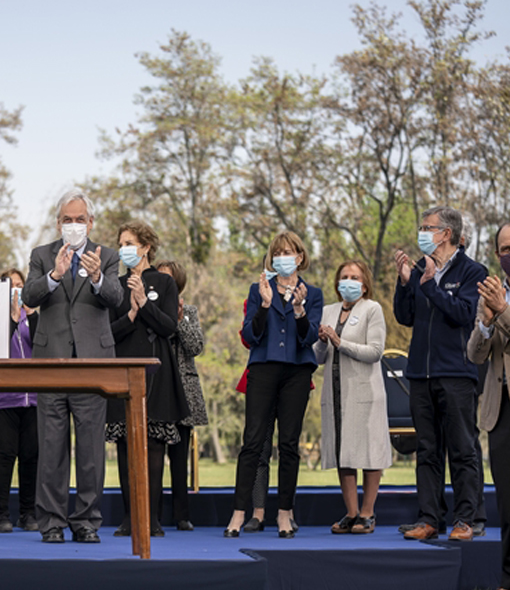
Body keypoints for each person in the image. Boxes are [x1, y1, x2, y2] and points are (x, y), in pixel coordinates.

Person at [22, 190, 123, 544]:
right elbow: (28, 296)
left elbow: (116, 299)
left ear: (91, 223)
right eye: (68, 219)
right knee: (51, 448)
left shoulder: (107, 257)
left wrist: (97, 279)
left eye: (81, 219)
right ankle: (50, 522)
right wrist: (54, 275)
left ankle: (86, 522)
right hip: (51, 363)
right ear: (58, 222)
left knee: (91, 451)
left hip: (93, 365)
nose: (74, 225)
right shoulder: (41, 255)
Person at [393, 206, 487, 541]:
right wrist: (406, 283)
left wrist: (430, 285)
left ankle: (467, 519)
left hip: (457, 374)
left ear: (446, 233)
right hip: (420, 373)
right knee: (428, 451)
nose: (422, 232)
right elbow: (405, 317)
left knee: (462, 448)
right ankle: (430, 518)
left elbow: (463, 314)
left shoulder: (474, 271)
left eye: (427, 227)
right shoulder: (419, 269)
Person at [225, 231, 322, 539]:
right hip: (263, 369)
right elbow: (250, 336)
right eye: (277, 252)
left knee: (290, 444)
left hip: (296, 372)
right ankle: (239, 513)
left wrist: (299, 310)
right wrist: (265, 306)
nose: (283, 257)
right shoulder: (259, 290)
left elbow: (310, 338)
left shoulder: (313, 293)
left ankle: (284, 514)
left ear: (300, 257)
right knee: (252, 442)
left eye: (289, 251)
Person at [107, 221, 188, 538]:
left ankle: (151, 518)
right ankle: (130, 517)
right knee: (126, 446)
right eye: (121, 243)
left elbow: (169, 327)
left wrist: (144, 303)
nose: (125, 248)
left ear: (146, 247)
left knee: (154, 446)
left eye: (130, 243)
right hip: (122, 371)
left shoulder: (164, 284)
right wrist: (129, 315)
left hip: (157, 373)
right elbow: (108, 334)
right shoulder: (114, 286)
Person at [467, 221, 510, 590]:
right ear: (496, 254)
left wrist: (502, 311)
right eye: (506, 249)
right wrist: (487, 323)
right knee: (509, 507)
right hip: (500, 412)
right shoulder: (489, 293)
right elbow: (474, 354)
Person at [314, 260, 391, 534]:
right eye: (344, 276)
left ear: (364, 283)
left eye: (354, 277)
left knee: (369, 451)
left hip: (365, 391)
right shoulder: (328, 311)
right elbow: (318, 358)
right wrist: (322, 342)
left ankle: (368, 512)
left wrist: (339, 342)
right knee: (342, 450)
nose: (348, 280)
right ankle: (351, 511)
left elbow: (375, 352)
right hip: (335, 391)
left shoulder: (372, 309)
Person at [0, 268, 39, 533]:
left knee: (31, 455)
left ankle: (28, 513)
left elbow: (42, 346)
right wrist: (12, 321)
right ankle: (0, 514)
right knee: (4, 455)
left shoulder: (34, 315)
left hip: (33, 397)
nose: (16, 289)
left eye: (19, 285)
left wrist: (31, 315)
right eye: (10, 285)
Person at [154, 259, 207, 531]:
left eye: (169, 279)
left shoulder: (189, 311)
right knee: (154, 456)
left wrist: (177, 320)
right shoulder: (147, 310)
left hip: (184, 391)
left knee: (180, 457)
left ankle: (182, 514)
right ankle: (153, 514)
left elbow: (196, 346)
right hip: (156, 390)